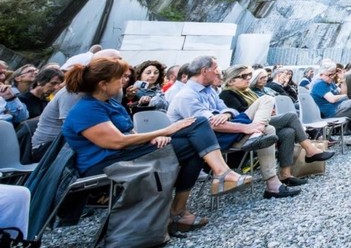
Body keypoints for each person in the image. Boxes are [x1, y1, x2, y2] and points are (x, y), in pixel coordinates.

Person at [61, 57, 249, 233]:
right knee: (196, 134)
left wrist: (151, 139)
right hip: (105, 163)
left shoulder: (110, 103)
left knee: (197, 127)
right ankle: (189, 203)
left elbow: (130, 134)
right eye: (120, 78)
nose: (124, 82)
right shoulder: (86, 109)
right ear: (103, 84)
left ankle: (200, 192)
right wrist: (163, 132)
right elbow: (116, 142)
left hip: (127, 153)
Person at [167, 56, 300, 199]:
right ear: (205, 71)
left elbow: (229, 110)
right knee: (269, 129)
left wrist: (227, 113)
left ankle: (272, 182)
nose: (219, 72)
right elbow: (208, 125)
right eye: (215, 68)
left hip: (225, 132)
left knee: (267, 106)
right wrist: (244, 128)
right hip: (207, 142)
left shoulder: (208, 91)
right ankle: (273, 183)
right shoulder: (186, 96)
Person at [219, 65, 334, 186]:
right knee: (291, 116)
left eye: (249, 75)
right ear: (231, 81)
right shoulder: (227, 95)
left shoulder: (248, 92)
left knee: (288, 132)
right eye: (244, 76)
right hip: (245, 130)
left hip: (260, 125)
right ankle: (310, 150)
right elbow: (241, 115)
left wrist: (268, 111)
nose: (248, 78)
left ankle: (285, 174)